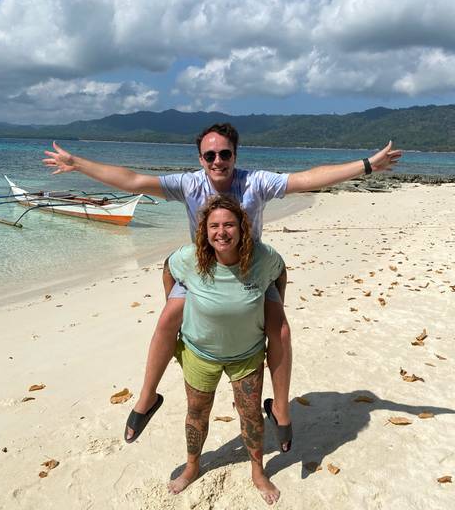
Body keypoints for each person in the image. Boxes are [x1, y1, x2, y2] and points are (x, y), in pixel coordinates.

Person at [43, 123, 401, 452]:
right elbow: (133, 181)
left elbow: (307, 179)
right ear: (201, 159)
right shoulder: (188, 184)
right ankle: (147, 398)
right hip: (204, 269)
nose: (218, 160)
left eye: (224, 153)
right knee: (168, 316)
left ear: (235, 156)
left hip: (251, 270)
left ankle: (280, 409)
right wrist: (77, 163)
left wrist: (367, 165)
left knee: (282, 332)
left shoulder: (255, 182)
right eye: (210, 155)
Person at [166, 194, 285, 504]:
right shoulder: (190, 258)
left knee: (250, 414)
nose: (221, 232)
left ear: (242, 228)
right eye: (214, 225)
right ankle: (193, 466)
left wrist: (274, 304)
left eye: (229, 224)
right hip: (199, 353)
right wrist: (174, 303)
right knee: (197, 413)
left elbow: (280, 272)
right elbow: (168, 268)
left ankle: (258, 471)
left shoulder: (262, 258)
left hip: (246, 355)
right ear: (204, 230)